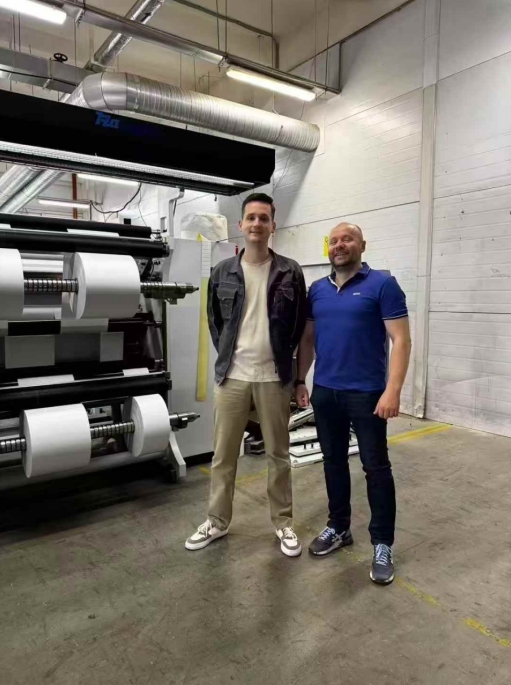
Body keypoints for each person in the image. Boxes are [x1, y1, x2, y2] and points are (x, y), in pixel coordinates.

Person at [185, 193, 307, 557]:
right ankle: (217, 521)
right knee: (223, 456)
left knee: (278, 455)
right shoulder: (222, 272)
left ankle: (283, 523)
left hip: (273, 377)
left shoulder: (290, 272)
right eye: (251, 217)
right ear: (241, 225)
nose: (257, 224)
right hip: (233, 377)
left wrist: (293, 373)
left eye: (263, 218)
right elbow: (215, 322)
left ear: (273, 225)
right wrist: (229, 356)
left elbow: (298, 325)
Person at [295, 222, 411, 584]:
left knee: (376, 468)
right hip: (325, 391)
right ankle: (339, 527)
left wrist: (393, 390)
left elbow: (401, 340)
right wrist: (300, 380)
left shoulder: (383, 285)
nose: (339, 245)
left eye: (348, 239)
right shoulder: (317, 289)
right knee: (333, 462)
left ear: (362, 245)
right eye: (334, 241)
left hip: (367, 393)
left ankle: (382, 543)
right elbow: (308, 340)